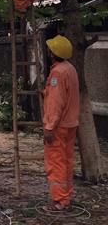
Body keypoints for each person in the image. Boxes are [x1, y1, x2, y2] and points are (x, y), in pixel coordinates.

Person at [42, 35, 80, 213]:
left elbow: (56, 102)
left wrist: (50, 127)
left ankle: (61, 201)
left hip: (58, 126)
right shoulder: (69, 68)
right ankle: (67, 196)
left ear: (53, 53)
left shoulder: (57, 72)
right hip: (70, 124)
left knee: (56, 162)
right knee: (66, 161)